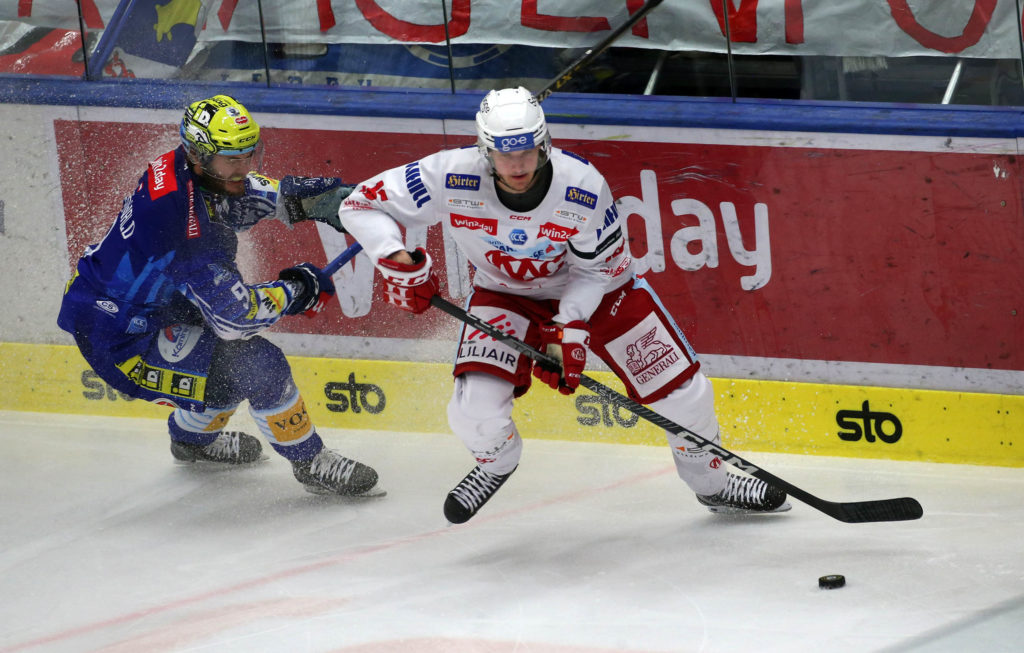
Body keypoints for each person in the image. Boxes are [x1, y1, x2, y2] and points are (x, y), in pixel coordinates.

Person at [338, 86, 789, 523]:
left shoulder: (583, 187)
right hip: (504, 293)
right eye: (504, 154)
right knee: (473, 411)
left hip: (602, 290)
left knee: (685, 396)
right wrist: (397, 260)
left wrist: (568, 327)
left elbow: (599, 271)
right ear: (484, 149)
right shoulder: (447, 174)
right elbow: (358, 205)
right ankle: (497, 463)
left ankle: (711, 484)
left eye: (528, 151)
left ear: (545, 143)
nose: (517, 165)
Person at [58, 94, 379, 497]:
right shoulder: (182, 223)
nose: (245, 169)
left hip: (149, 306)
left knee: (224, 371)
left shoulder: (189, 170)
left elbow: (245, 195)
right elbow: (235, 319)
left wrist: (322, 200)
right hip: (121, 339)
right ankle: (311, 462)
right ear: (198, 155)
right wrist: (298, 289)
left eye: (250, 155)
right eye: (234, 160)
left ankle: (191, 441)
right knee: (255, 363)